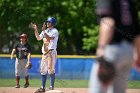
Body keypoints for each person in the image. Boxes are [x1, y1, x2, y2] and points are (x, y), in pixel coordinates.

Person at [89, 0, 140, 93]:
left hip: (113, 50)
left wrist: (101, 49)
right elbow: (137, 34)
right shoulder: (130, 2)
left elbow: (108, 21)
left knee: (97, 89)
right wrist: (138, 56)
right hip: (129, 52)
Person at [32, 17, 59, 93]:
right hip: (45, 53)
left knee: (51, 69)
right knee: (43, 70)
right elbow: (38, 38)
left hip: (51, 52)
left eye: (49, 22)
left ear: (53, 23)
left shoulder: (55, 31)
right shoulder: (45, 30)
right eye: (47, 22)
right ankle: (43, 87)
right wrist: (36, 29)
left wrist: (43, 31)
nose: (47, 23)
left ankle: (51, 87)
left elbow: (49, 38)